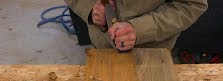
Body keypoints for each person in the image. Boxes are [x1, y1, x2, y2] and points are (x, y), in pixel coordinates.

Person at [64, 0, 208, 52]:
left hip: (152, 50)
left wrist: (140, 29)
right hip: (101, 43)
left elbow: (191, 4)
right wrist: (89, 7)